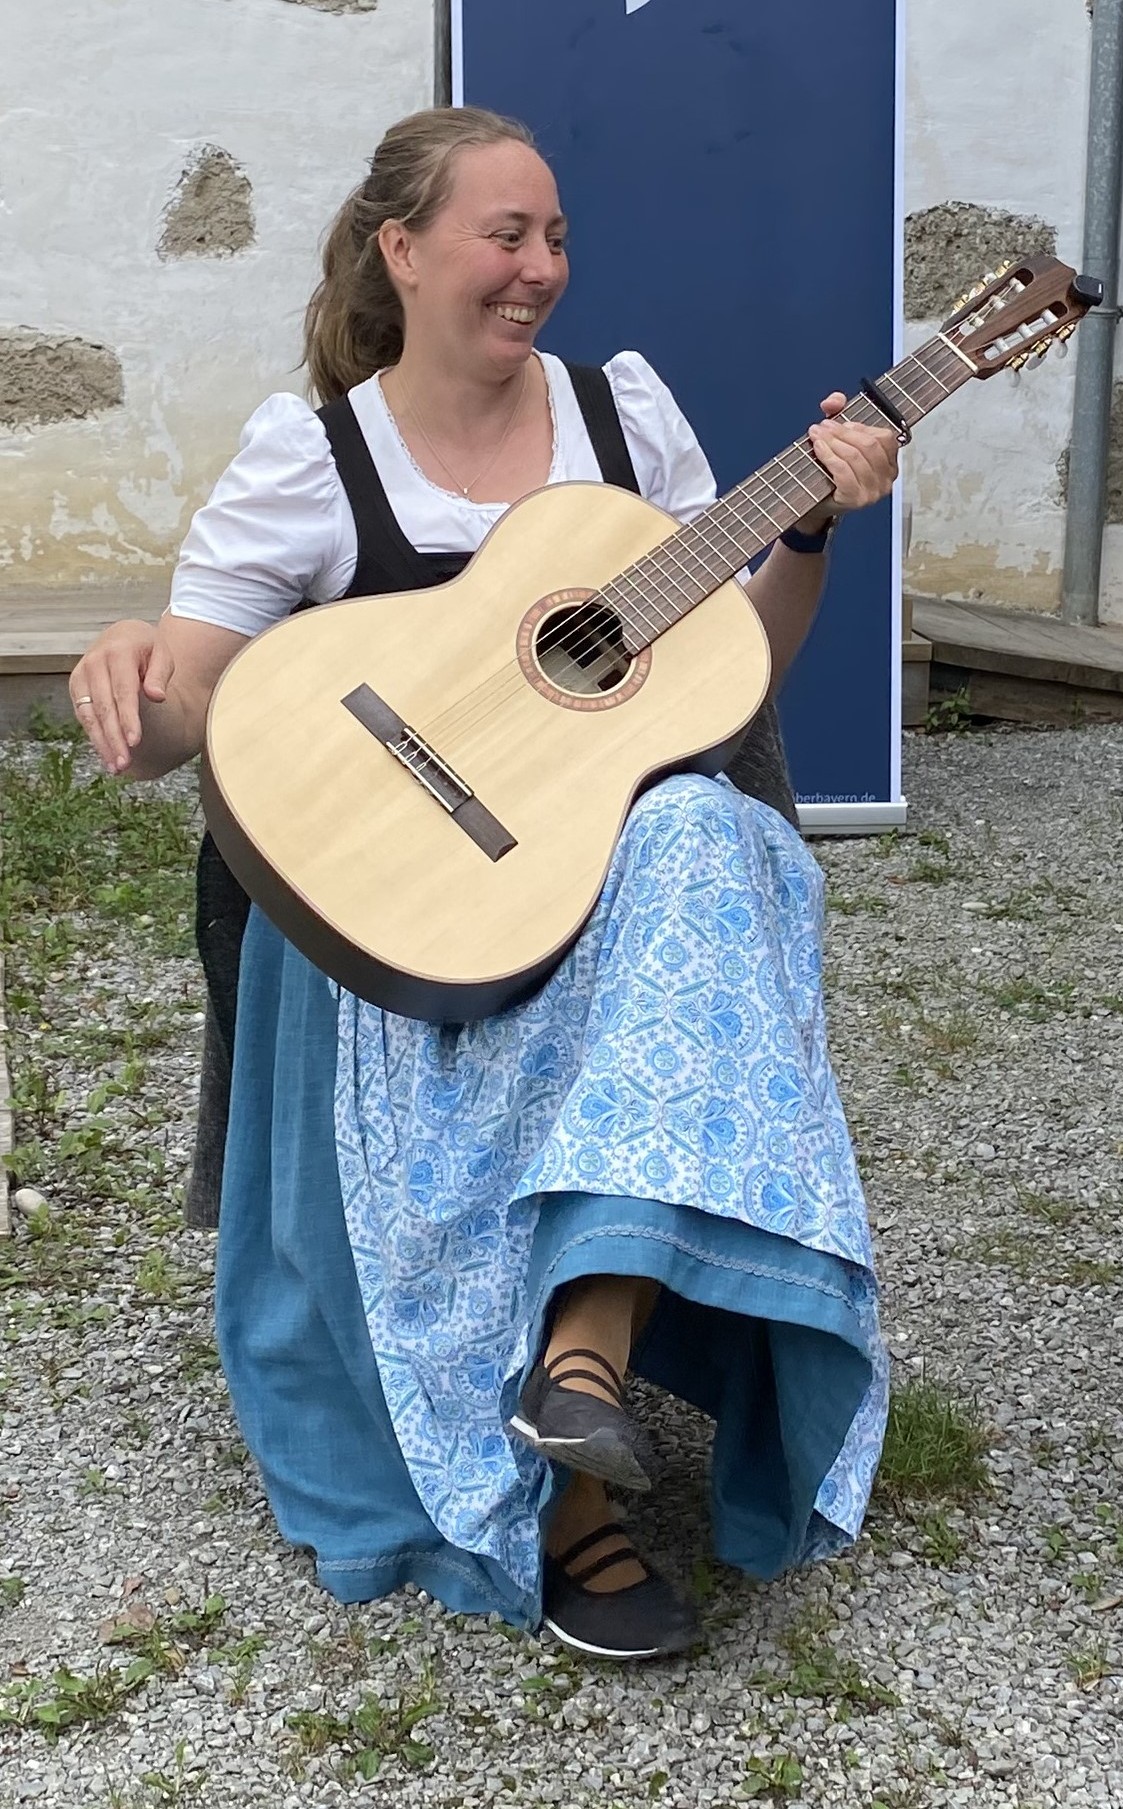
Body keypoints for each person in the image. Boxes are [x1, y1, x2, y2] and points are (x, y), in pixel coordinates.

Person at [69, 107, 903, 1662]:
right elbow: (192, 703)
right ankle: (554, 1476)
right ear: (402, 249)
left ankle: (576, 1360)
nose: (539, 272)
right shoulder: (312, 458)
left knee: (719, 844)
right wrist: (132, 667)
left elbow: (730, 675)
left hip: (597, 893)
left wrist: (805, 531)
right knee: (702, 883)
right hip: (408, 920)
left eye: (558, 237)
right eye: (504, 236)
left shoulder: (624, 425)